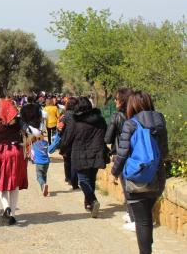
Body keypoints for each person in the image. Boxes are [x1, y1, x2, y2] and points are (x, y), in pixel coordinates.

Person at [111, 91, 168, 254]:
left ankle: (145, 251)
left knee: (142, 220)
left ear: (132, 105)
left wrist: (114, 172)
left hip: (138, 177)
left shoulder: (131, 124)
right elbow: (164, 151)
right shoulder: (160, 120)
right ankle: (147, 247)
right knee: (147, 216)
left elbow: (122, 154)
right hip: (157, 177)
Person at [0, 98, 40, 225]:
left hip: (2, 153)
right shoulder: (18, 121)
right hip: (17, 153)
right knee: (14, 184)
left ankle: (6, 207)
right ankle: (12, 215)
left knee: (1, 183)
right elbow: (35, 132)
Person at [60, 97, 109, 218]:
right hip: (97, 153)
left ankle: (92, 200)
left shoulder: (75, 121)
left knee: (82, 180)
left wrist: (63, 148)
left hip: (80, 154)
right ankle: (89, 203)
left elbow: (68, 137)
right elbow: (106, 135)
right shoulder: (100, 120)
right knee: (91, 179)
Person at [104, 87, 134, 231]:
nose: (115, 101)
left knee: (126, 184)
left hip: (122, 153)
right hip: (136, 154)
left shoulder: (116, 116)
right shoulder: (137, 115)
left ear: (122, 101)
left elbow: (108, 137)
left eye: (116, 98)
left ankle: (132, 215)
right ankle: (133, 213)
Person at [58, 97, 79, 189]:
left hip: (66, 141)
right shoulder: (79, 115)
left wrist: (60, 132)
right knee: (74, 161)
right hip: (77, 140)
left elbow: (60, 128)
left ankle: (68, 178)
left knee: (67, 160)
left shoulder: (65, 116)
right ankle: (74, 181)